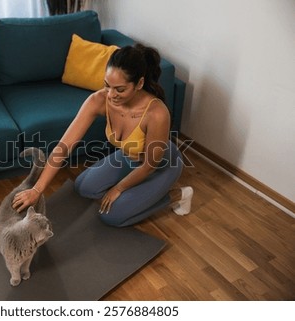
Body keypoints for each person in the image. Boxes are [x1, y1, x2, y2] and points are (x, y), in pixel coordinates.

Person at [12, 43, 193, 227]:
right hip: (129, 158)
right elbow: (64, 146)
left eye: (120, 89)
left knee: (112, 215)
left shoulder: (156, 113)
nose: (111, 95)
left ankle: (179, 195)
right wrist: (37, 189)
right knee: (83, 187)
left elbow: (148, 166)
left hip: (159, 165)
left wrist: (119, 188)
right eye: (107, 85)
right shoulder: (99, 100)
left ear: (139, 83)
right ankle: (137, 195)